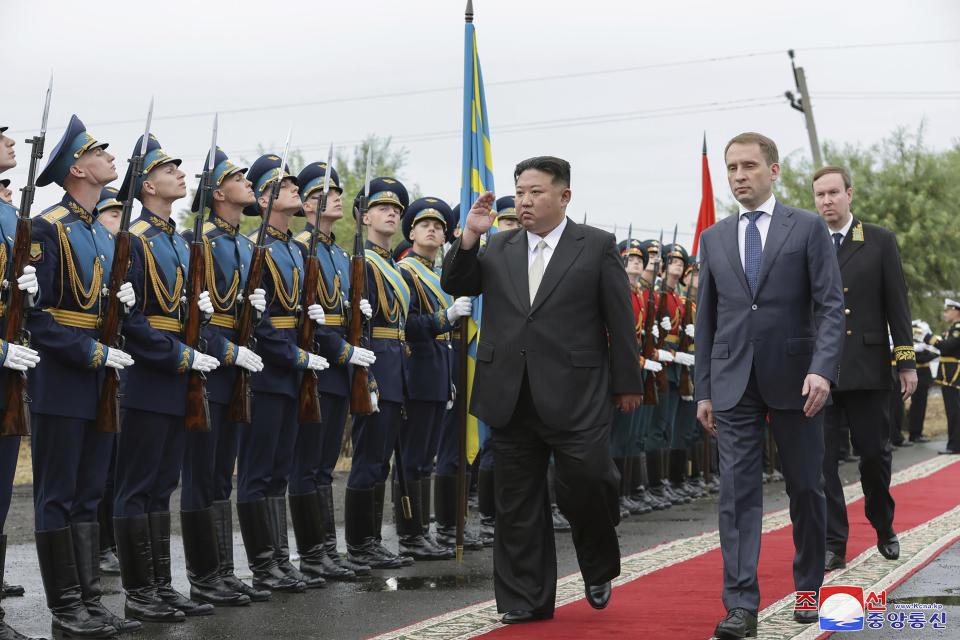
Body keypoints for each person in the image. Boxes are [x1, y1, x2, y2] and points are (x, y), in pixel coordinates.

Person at [441, 156, 643, 623]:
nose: (524, 200)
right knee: (516, 503)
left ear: (564, 197)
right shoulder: (497, 245)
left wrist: (627, 382)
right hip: (509, 392)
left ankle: (596, 562)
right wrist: (469, 235)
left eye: (535, 191)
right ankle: (525, 600)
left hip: (578, 393)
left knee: (590, 482)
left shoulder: (595, 246)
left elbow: (620, 320)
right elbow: (455, 281)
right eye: (520, 191)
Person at [695, 132, 844, 639]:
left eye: (749, 166)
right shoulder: (714, 238)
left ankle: (808, 591)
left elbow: (829, 306)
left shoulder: (805, 228)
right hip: (733, 381)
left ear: (774, 170)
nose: (739, 176)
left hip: (799, 381)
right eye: (732, 167)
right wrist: (704, 389)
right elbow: (707, 320)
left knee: (805, 487)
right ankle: (740, 606)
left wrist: (823, 368)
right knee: (737, 494)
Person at [30, 114, 138, 637]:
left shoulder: (104, 232)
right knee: (58, 491)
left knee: (91, 490)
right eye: (101, 151)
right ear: (78, 168)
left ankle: (90, 598)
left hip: (102, 376)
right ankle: (65, 604)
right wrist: (92, 352)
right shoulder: (48, 227)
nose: (111, 159)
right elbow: (37, 318)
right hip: (65, 377)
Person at [112, 134, 220, 622]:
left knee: (162, 486)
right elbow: (130, 321)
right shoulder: (132, 239)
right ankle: (138, 591)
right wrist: (179, 356)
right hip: (152, 374)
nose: (181, 173)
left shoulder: (178, 240)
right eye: (169, 168)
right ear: (147, 184)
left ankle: (160, 583)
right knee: (137, 485)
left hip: (179, 375)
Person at [812, 164, 916, 572]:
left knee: (874, 456)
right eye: (820, 195)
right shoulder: (807, 241)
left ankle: (883, 523)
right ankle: (833, 542)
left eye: (834, 193)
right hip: (820, 371)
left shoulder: (877, 240)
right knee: (821, 463)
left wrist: (905, 363)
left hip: (869, 367)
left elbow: (898, 305)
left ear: (849, 195)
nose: (827, 202)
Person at [235, 154, 328, 593]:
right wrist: (293, 356)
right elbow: (261, 318)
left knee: (279, 471)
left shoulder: (293, 248)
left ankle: (277, 558)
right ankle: (262, 564)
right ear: (266, 197)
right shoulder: (259, 247)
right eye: (286, 186)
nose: (296, 190)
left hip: (293, 371)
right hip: (270, 371)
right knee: (258, 470)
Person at [180, 147, 268, 605]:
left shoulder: (244, 243)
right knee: (202, 474)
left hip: (237, 369)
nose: (248, 181)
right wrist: (228, 349)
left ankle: (222, 571)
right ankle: (203, 576)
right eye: (237, 176)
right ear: (218, 193)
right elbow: (194, 320)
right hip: (210, 367)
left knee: (220, 476)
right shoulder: (202, 242)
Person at [292, 160, 375, 580]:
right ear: (308, 204)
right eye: (327, 191)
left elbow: (343, 315)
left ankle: (326, 549)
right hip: (319, 366)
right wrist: (342, 350)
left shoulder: (340, 254)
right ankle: (311, 553)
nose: (338, 195)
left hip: (341, 367)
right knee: (307, 464)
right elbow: (307, 318)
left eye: (339, 190)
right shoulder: (302, 248)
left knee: (324, 465)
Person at [396, 197, 472, 559]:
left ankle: (421, 533)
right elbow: (408, 326)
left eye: (440, 226)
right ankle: (410, 535)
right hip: (416, 370)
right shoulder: (406, 271)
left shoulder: (437, 273)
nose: (433, 229)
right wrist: (447, 317)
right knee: (412, 457)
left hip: (438, 371)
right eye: (425, 224)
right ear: (411, 232)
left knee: (426, 457)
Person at [0, 122, 42, 640]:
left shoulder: (13, 216)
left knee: (1, 488)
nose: (11, 143)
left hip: (10, 364)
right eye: (1, 136)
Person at [918, 300, 960, 454]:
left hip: (952, 375)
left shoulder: (958, 329)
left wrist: (928, 336)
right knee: (952, 411)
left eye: (948, 310)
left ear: (956, 311)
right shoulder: (953, 329)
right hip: (947, 374)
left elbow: (947, 347)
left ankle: (955, 446)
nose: (945, 314)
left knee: (954, 411)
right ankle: (954, 444)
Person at [908, 320, 936, 443]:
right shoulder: (912, 344)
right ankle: (912, 434)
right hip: (914, 373)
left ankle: (917, 433)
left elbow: (933, 353)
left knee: (920, 405)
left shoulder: (924, 342)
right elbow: (918, 357)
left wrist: (924, 352)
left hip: (924, 375)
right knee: (912, 406)